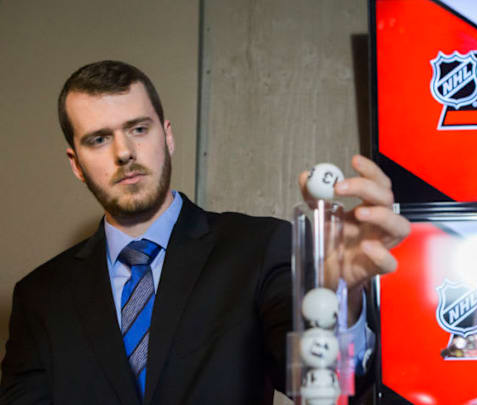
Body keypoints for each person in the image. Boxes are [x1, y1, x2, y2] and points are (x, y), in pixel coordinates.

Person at [0, 60, 410, 404]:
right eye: (99, 138)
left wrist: (341, 296)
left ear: (168, 135)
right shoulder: (40, 297)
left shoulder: (259, 248)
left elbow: (325, 389)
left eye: (139, 129)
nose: (123, 152)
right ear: (76, 163)